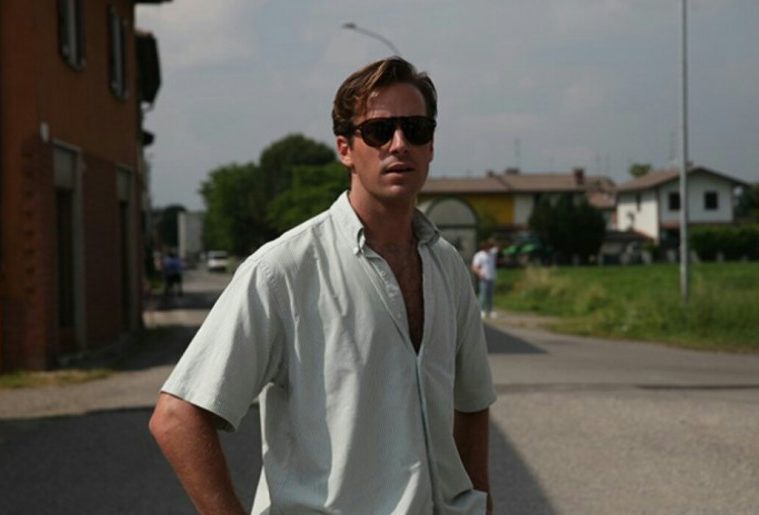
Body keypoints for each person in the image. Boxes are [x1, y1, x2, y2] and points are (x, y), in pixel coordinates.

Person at [149, 57, 496, 515]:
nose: (399, 144)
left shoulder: (448, 266)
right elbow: (177, 418)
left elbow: (472, 404)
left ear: (430, 145)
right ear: (345, 149)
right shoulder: (283, 269)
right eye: (379, 131)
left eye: (416, 129)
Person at [471, 240, 498, 318]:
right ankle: (481, 310)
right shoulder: (479, 255)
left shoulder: (492, 253)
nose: (488, 248)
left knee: (490, 295)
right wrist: (479, 273)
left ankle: (490, 310)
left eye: (489, 246)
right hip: (484, 278)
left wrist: (492, 240)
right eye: (487, 246)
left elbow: (498, 246)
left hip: (492, 277)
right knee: (483, 295)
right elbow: (474, 267)